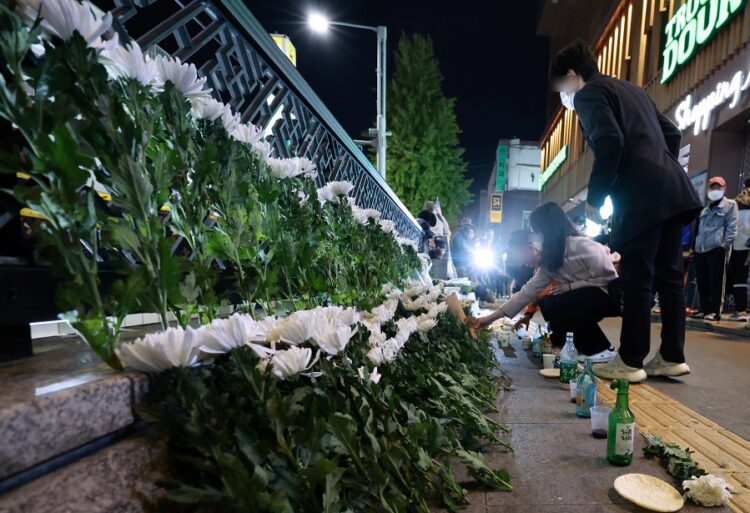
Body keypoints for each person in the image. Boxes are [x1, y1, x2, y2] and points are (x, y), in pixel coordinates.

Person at [550, 39, 702, 382]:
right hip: (672, 190)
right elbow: (673, 133)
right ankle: (671, 356)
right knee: (669, 276)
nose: (564, 93)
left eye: (561, 85)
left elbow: (611, 141)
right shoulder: (632, 90)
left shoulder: (589, 94)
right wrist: (661, 169)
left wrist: (597, 196)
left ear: (572, 75)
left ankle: (631, 360)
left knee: (638, 278)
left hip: (641, 195)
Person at [470, 203, 619, 361]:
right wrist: (489, 319)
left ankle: (603, 349)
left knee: (567, 301)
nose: (535, 237)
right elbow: (527, 292)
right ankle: (579, 346)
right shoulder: (550, 258)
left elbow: (608, 277)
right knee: (550, 303)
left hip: (608, 295)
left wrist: (570, 287)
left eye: (537, 231)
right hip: (582, 297)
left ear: (548, 229)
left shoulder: (582, 245)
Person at [693, 177, 738, 321]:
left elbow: (732, 227)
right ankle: (704, 309)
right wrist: (695, 247)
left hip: (717, 249)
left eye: (718, 187)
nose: (715, 190)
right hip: (701, 249)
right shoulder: (705, 209)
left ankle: (715, 311)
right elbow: (699, 230)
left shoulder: (730, 205)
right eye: (712, 187)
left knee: (716, 281)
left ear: (724, 189)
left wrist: (724, 245)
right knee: (702, 281)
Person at [729, 178, 750, 321]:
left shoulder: (736, 203)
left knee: (739, 278)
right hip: (742, 244)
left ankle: (741, 311)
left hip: (740, 246)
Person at [505, 229, 537, 293]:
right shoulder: (523, 269)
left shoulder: (545, 269)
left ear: (530, 247)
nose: (515, 256)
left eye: (516, 251)